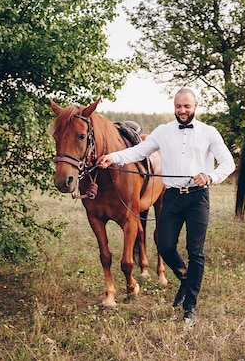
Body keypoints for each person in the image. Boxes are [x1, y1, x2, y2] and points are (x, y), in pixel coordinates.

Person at [96, 88, 235, 323]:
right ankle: (185, 278)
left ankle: (190, 305)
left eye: (187, 106)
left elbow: (228, 162)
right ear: (174, 106)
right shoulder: (163, 132)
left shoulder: (209, 132)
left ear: (195, 106)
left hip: (197, 197)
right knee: (165, 246)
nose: (182, 111)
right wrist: (114, 157)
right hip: (171, 195)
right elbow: (138, 152)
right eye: (178, 106)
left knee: (195, 251)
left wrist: (210, 177)